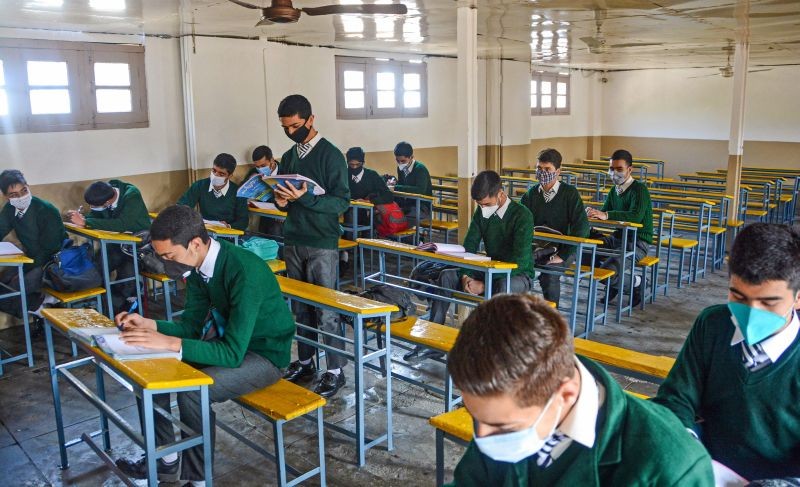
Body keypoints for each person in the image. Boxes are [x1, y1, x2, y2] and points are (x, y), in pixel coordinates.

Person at [447, 293, 714, 485]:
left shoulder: (672, 469)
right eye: (475, 418)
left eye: (505, 428)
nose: (481, 438)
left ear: (566, 394)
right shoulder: (501, 413)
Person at [114, 205, 295, 485]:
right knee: (153, 370)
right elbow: (190, 327)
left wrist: (171, 342)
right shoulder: (198, 268)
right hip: (231, 343)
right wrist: (151, 325)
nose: (163, 263)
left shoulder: (244, 272)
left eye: (168, 256)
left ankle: (198, 479)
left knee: (192, 391)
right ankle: (165, 458)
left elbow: (233, 353)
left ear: (195, 243)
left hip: (265, 355)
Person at [654, 223, 800, 480]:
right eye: (738, 297)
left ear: (797, 298)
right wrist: (688, 449)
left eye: (768, 302)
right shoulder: (713, 324)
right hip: (707, 467)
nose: (752, 313)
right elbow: (676, 398)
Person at [405, 170, 534, 362]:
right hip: (489, 268)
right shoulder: (482, 212)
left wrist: (484, 284)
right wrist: (466, 276)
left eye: (486, 204)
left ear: (500, 194)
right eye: (480, 205)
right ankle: (431, 342)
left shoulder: (522, 215)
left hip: (518, 275)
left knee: (500, 288)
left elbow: (520, 262)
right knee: (447, 276)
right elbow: (469, 247)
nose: (483, 208)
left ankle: (491, 350)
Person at [273, 94, 351, 398]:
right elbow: (287, 199)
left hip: (321, 241)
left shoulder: (331, 156)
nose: (291, 132)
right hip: (294, 238)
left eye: (295, 126)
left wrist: (305, 198)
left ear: (310, 120)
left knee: (326, 309)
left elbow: (341, 201)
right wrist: (281, 202)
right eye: (285, 128)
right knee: (301, 308)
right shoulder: (289, 156)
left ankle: (334, 369)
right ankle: (306, 361)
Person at [67, 179, 150, 313]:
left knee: (127, 274)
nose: (92, 208)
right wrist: (83, 219)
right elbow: (96, 215)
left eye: (93, 205)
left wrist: (86, 222)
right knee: (99, 266)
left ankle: (126, 308)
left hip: (138, 245)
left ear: (107, 202)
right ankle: (105, 306)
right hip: (116, 243)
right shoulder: (107, 192)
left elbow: (122, 224)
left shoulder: (131, 195)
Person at [521, 148, 590, 307]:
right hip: (538, 246)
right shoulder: (531, 194)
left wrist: (564, 254)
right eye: (539, 169)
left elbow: (582, 226)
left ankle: (553, 318)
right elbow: (519, 221)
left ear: (558, 172)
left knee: (549, 275)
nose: (542, 173)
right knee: (518, 267)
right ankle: (522, 312)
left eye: (547, 169)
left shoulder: (569, 194)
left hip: (564, 247)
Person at [585, 149, 652, 306]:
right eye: (611, 168)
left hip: (637, 242)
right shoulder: (614, 190)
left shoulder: (639, 189)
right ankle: (615, 283)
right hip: (617, 239)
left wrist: (606, 215)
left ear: (630, 169)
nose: (614, 172)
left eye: (619, 169)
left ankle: (638, 282)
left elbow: (635, 216)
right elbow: (604, 213)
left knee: (607, 273)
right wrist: (592, 214)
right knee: (584, 257)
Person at [0, 170, 66, 319]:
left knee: (13, 289)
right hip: (30, 258)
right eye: (14, 195)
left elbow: (50, 248)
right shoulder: (10, 209)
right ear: (6, 196)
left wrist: (23, 270)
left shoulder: (46, 210)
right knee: (3, 285)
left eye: (24, 191)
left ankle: (36, 306)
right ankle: (37, 304)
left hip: (51, 261)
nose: (21, 197)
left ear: (28, 187)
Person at [177, 153, 249, 231]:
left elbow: (243, 221)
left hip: (228, 234)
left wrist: (228, 226)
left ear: (230, 176)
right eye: (214, 171)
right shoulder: (200, 185)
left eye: (221, 174)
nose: (215, 175)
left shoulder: (238, 192)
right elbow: (182, 207)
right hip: (205, 232)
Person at [392, 141, 432, 226]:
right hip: (408, 204)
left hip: (422, 206)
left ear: (411, 157)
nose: (400, 164)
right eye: (397, 161)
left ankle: (413, 238)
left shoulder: (420, 169)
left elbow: (420, 190)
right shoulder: (400, 169)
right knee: (389, 213)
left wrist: (395, 187)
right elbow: (402, 186)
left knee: (400, 219)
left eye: (403, 161)